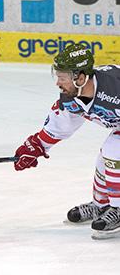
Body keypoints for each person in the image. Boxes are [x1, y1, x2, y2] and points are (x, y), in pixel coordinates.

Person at [14, 43, 120, 239]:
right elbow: (59, 126)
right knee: (106, 159)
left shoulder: (115, 87)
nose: (58, 83)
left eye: (62, 78)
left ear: (80, 77)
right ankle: (101, 205)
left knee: (113, 150)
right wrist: (36, 146)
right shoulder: (71, 98)